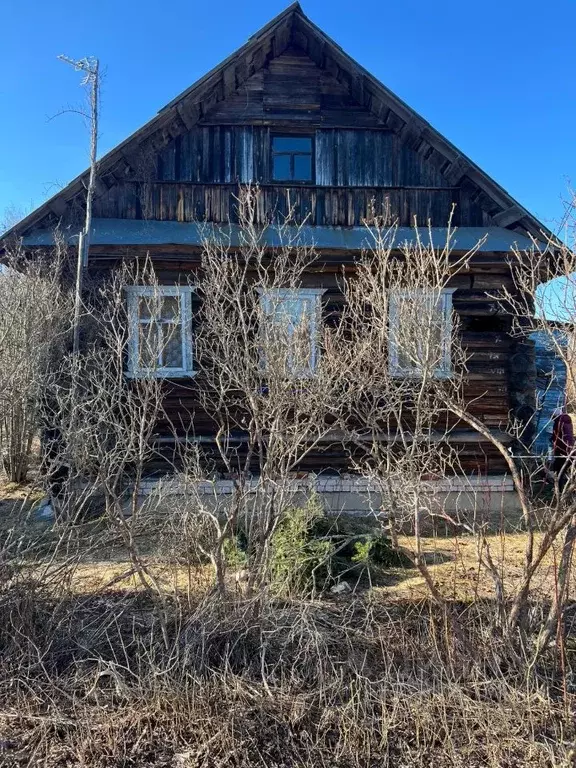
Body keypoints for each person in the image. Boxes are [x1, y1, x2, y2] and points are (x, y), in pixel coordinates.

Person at [551, 408, 574, 488]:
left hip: (562, 450)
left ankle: (559, 488)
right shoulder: (567, 420)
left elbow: (556, 436)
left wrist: (552, 439)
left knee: (558, 469)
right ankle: (565, 485)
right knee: (564, 469)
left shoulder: (559, 421)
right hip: (570, 449)